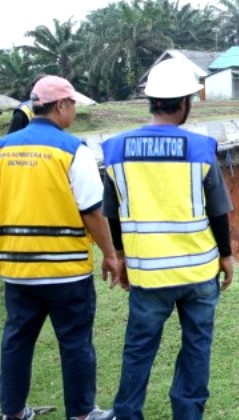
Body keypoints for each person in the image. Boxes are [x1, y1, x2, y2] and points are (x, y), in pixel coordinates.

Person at [101, 58, 234, 420]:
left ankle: (128, 413)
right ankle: (188, 414)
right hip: (198, 273)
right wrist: (226, 256)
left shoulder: (115, 149)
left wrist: (121, 256)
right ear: (185, 102)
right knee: (196, 347)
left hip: (148, 275)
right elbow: (217, 211)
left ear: (152, 101)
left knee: (139, 349)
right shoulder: (202, 148)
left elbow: (111, 213)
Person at [0, 76, 119, 420]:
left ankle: (12, 412)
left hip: (18, 270)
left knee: (16, 341)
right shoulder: (72, 150)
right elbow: (93, 212)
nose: (75, 111)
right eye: (73, 105)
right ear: (61, 106)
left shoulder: (4, 147)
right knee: (75, 342)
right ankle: (82, 414)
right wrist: (110, 254)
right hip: (66, 272)